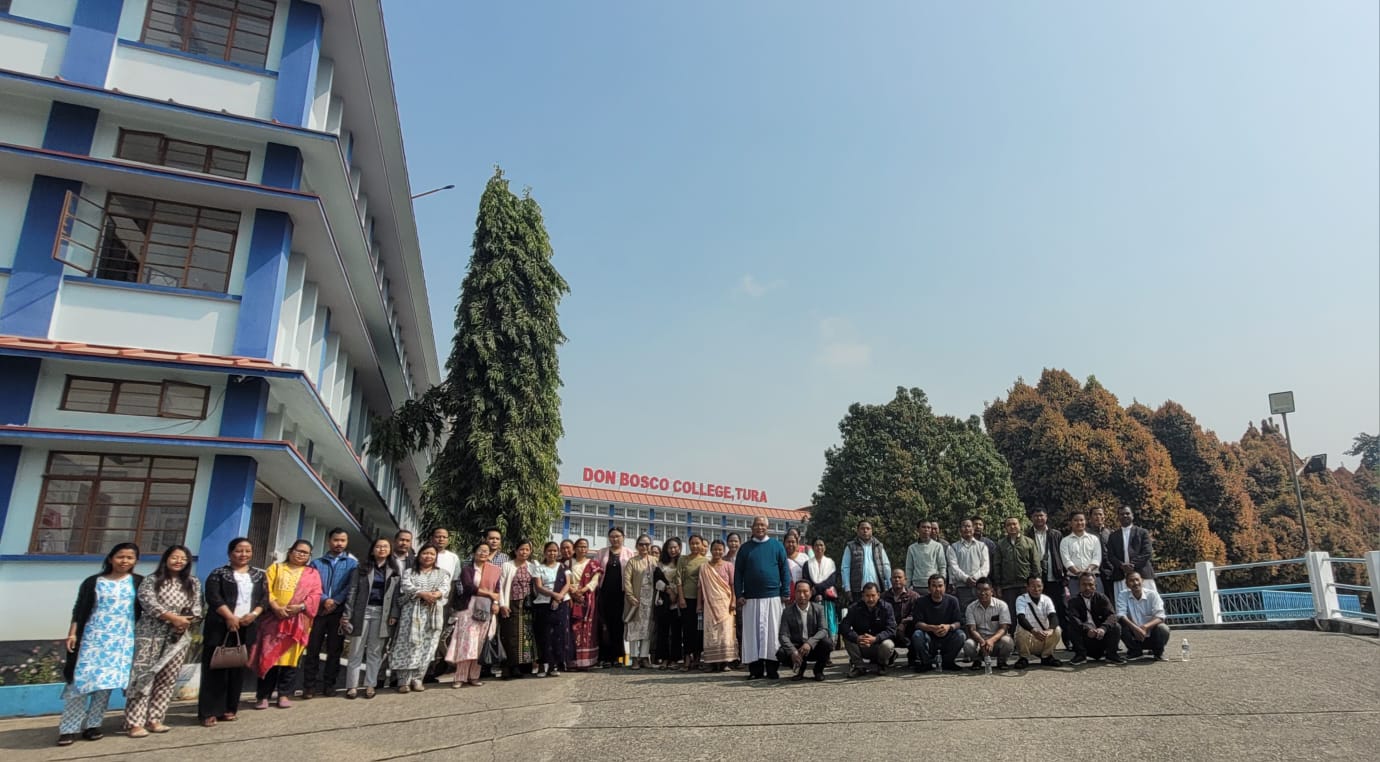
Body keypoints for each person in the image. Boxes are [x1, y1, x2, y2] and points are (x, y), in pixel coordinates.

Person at [56, 543, 141, 747]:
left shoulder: (138, 582)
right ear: (111, 558)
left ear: (135, 561)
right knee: (80, 683)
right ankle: (69, 728)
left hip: (122, 639)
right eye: (121, 556)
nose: (125, 561)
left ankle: (93, 725)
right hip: (93, 637)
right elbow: (80, 608)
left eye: (130, 557)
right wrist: (73, 632)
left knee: (105, 685)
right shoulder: (94, 581)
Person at [126, 545, 201, 736]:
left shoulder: (192, 582)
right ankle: (135, 722)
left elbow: (197, 608)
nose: (178, 561)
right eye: (174, 557)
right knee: (143, 677)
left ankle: (155, 719)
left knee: (167, 678)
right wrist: (172, 617)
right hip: (150, 635)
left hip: (178, 637)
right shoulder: (151, 580)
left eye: (182, 559)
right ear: (166, 558)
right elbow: (148, 602)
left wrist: (185, 622)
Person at [199, 537, 267, 726]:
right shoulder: (219, 574)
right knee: (215, 669)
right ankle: (209, 711)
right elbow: (213, 597)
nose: (243, 554)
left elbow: (264, 599)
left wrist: (253, 615)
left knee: (236, 670)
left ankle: (230, 708)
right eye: (239, 550)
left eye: (247, 551)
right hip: (220, 627)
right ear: (230, 553)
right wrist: (229, 617)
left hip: (247, 627)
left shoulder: (258, 575)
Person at [253, 540, 322, 709]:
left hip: (297, 623)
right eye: (299, 551)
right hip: (273, 620)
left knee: (290, 660)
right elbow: (265, 589)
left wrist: (301, 607)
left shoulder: (312, 573)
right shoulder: (276, 568)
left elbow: (316, 595)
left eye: (306, 553)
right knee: (268, 657)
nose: (301, 555)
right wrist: (275, 606)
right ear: (290, 551)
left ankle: (284, 694)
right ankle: (263, 696)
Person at [733, 516, 792, 680]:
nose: (760, 528)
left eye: (763, 525)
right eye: (757, 525)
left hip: (773, 597)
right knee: (753, 636)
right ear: (752, 528)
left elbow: (784, 570)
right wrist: (739, 594)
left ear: (768, 527)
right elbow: (738, 574)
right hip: (751, 599)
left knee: (772, 635)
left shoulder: (777, 546)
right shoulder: (745, 548)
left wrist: (785, 591)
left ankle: (772, 669)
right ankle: (755, 670)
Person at [342, 538, 401, 699]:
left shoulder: (394, 571)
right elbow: (352, 591)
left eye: (385, 546)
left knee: (375, 652)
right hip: (361, 612)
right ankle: (352, 686)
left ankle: (370, 685)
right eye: (378, 546)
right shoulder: (361, 568)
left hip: (382, 613)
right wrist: (347, 614)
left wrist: (394, 615)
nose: (381, 549)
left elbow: (396, 596)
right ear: (372, 549)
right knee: (355, 651)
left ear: (390, 550)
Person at [302, 528, 357, 699]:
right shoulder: (316, 564)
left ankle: (329, 685)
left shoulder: (352, 564)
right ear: (329, 541)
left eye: (342, 540)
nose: (339, 543)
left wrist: (336, 601)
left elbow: (351, 586)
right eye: (335, 540)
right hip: (318, 612)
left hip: (338, 613)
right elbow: (311, 585)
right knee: (313, 650)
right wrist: (325, 599)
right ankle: (309, 686)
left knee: (335, 651)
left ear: (346, 542)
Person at [390, 544, 450, 692]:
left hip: (432, 614)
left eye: (432, 554)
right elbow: (406, 586)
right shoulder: (410, 572)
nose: (428, 556)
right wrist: (423, 594)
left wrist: (434, 595)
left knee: (428, 647)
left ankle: (418, 679)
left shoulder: (443, 573)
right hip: (411, 615)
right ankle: (403, 681)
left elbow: (444, 589)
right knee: (408, 645)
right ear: (419, 555)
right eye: (425, 553)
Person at [447, 542, 502, 687]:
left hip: (486, 610)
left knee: (479, 644)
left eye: (486, 551)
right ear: (474, 553)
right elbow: (469, 587)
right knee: (466, 643)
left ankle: (474, 676)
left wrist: (496, 604)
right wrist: (489, 593)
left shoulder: (494, 570)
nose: (483, 553)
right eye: (480, 550)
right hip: (468, 610)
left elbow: (497, 589)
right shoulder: (467, 570)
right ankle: (460, 677)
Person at [1026, 508, 1069, 649]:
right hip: (1036, 580)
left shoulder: (1056, 534)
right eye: (1036, 516)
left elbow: (1062, 555)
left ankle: (1066, 640)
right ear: (1031, 518)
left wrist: (1064, 576)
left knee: (1060, 609)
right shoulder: (1027, 535)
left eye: (1041, 516)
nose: (1039, 518)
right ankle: (1040, 642)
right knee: (1039, 609)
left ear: (1046, 517)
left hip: (1055, 577)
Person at [498, 539, 541, 679]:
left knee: (526, 636)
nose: (524, 552)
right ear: (516, 551)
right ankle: (512, 666)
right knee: (512, 636)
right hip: (511, 604)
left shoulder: (533, 566)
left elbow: (537, 586)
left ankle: (525, 665)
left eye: (527, 549)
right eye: (521, 549)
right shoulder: (507, 565)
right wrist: (503, 604)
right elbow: (501, 586)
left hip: (528, 606)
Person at [425, 526, 461, 684]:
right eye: (438, 536)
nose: (441, 539)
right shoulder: (425, 553)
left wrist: (452, 604)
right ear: (432, 538)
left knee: (437, 637)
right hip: (423, 604)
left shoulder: (453, 558)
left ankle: (431, 671)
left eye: (444, 537)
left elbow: (455, 582)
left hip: (444, 604)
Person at [596, 527, 635, 668]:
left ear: (623, 537)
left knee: (619, 625)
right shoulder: (601, 553)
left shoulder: (629, 553)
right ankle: (605, 657)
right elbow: (596, 572)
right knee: (605, 625)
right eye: (612, 536)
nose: (615, 539)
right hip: (604, 593)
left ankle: (619, 657)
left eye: (618, 536)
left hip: (621, 593)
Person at [778, 580, 832, 681]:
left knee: (827, 643)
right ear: (794, 593)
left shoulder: (818, 609)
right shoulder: (787, 612)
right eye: (799, 591)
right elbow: (783, 635)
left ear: (811, 593)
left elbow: (823, 629)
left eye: (805, 591)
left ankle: (818, 670)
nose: (802, 595)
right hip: (797, 648)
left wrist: (810, 643)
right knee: (781, 653)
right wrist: (793, 651)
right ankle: (799, 669)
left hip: (813, 647)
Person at [908, 574, 963, 672]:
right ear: (929, 588)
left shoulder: (953, 601)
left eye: (940, 586)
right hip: (929, 637)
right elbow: (917, 623)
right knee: (917, 635)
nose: (937, 589)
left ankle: (948, 662)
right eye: (934, 586)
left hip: (947, 635)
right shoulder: (921, 602)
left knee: (961, 635)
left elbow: (958, 622)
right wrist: (932, 628)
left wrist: (948, 627)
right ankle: (926, 663)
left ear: (945, 587)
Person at [532, 541, 572, 677]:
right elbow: (538, 586)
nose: (552, 553)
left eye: (555, 551)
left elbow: (567, 584)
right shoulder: (539, 568)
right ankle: (543, 665)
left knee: (558, 635)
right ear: (544, 552)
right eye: (549, 551)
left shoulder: (563, 567)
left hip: (561, 604)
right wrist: (553, 594)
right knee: (544, 635)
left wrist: (559, 596)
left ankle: (555, 665)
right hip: (544, 604)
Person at [1066, 572, 1123, 664]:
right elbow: (1074, 619)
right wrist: (1087, 630)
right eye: (1084, 584)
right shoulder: (1073, 601)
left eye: (1090, 585)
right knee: (1071, 626)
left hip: (1101, 636)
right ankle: (1080, 655)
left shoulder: (1102, 598)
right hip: (1086, 638)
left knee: (1116, 626)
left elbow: (1112, 616)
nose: (1087, 588)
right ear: (1079, 586)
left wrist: (1103, 628)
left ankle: (1111, 655)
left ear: (1095, 586)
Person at [840, 582, 896, 677]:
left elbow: (892, 629)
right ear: (863, 596)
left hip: (879, 644)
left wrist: (876, 638)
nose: (870, 599)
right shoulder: (854, 608)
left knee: (888, 644)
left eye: (873, 595)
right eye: (867, 596)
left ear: (878, 595)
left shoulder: (887, 607)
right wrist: (857, 638)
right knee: (847, 637)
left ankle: (882, 665)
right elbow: (843, 627)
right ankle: (859, 666)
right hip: (861, 644)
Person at [700, 539, 738, 671]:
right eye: (715, 549)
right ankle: (711, 662)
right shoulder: (704, 567)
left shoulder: (728, 566)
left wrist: (733, 600)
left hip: (725, 605)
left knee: (726, 634)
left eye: (720, 549)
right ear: (711, 550)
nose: (717, 552)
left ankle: (725, 662)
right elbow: (700, 587)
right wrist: (699, 604)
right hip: (709, 605)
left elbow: (733, 585)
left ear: (724, 550)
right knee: (711, 634)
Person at [992, 516, 1041, 616]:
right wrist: (998, 585)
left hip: (1025, 585)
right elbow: (997, 565)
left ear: (1020, 525)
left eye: (1014, 524)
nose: (1012, 526)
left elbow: (1035, 563)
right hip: (1008, 586)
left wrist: (1035, 583)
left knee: (1028, 613)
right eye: (1009, 525)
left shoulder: (1029, 542)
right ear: (1005, 528)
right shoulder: (1001, 544)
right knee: (1011, 614)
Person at [566, 538, 603, 670]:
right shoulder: (568, 563)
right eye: (580, 546)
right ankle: (571, 661)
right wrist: (571, 590)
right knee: (572, 628)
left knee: (587, 628)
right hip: (570, 597)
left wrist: (582, 590)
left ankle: (586, 661)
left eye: (585, 546)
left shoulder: (593, 564)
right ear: (575, 548)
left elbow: (595, 581)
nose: (582, 549)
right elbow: (564, 579)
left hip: (587, 599)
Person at [622, 534, 658, 669]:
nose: (644, 547)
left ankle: (644, 657)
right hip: (635, 600)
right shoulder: (632, 562)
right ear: (637, 546)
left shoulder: (655, 561)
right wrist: (630, 596)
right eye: (641, 544)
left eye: (647, 544)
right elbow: (627, 580)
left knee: (647, 629)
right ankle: (635, 657)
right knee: (634, 629)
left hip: (650, 601)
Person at [1117, 571, 1170, 660]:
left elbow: (1161, 616)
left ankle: (1158, 653)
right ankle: (1135, 652)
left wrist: (1145, 627)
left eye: (1137, 580)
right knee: (1119, 625)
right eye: (1131, 581)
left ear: (1142, 580)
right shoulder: (1123, 595)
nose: (1135, 583)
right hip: (1134, 637)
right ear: (1127, 584)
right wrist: (1135, 629)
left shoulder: (1152, 594)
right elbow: (1121, 615)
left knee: (1163, 628)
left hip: (1151, 635)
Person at [963, 578, 1015, 670]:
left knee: (1008, 642)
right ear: (975, 591)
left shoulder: (1002, 605)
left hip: (997, 641)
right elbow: (972, 629)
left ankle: (1001, 661)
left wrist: (991, 641)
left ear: (992, 591)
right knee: (968, 644)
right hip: (979, 642)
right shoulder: (970, 607)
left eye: (986, 590)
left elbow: (1004, 628)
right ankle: (977, 660)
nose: (982, 593)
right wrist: (982, 642)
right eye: (979, 590)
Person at [1107, 506, 1158, 597]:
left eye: (1127, 513)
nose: (1125, 516)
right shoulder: (1113, 536)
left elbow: (1147, 552)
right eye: (1122, 514)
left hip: (1142, 574)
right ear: (1118, 517)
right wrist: (1122, 565)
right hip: (1121, 575)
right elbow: (1111, 555)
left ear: (1132, 516)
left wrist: (1132, 565)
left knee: (1149, 602)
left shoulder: (1142, 532)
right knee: (1123, 605)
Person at [1014, 576, 1063, 668]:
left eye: (1039, 586)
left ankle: (1047, 656)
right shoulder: (1021, 599)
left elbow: (1053, 616)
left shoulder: (1047, 599)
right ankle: (1024, 658)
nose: (1036, 589)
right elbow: (1021, 618)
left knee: (1057, 629)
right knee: (1021, 629)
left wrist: (1050, 630)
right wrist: (1033, 630)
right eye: (1032, 586)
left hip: (1043, 637)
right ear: (1027, 587)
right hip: (1029, 638)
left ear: (1043, 586)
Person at [676, 534, 709, 670]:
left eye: (697, 543)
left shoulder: (706, 561)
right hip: (687, 598)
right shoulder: (683, 560)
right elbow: (678, 579)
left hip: (701, 600)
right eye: (692, 543)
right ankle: (687, 657)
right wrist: (681, 597)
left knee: (699, 630)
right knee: (687, 628)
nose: (695, 546)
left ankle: (697, 657)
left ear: (702, 545)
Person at [841, 520, 891, 605]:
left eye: (868, 528)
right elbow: (845, 568)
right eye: (862, 528)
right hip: (858, 591)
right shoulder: (850, 547)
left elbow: (886, 566)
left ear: (872, 530)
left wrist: (890, 586)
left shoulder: (878, 546)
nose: (865, 531)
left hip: (877, 590)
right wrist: (847, 588)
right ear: (857, 531)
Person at [947, 518, 990, 611]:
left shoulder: (982, 546)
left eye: (969, 526)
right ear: (960, 530)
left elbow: (985, 567)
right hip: (962, 587)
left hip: (979, 586)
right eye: (964, 526)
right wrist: (966, 579)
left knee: (981, 611)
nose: (967, 529)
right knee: (964, 613)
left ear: (973, 529)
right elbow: (954, 567)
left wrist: (974, 578)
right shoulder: (953, 547)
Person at [653, 538, 683, 669]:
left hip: (679, 600)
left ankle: (675, 659)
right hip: (664, 601)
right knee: (663, 631)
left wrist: (677, 594)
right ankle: (663, 658)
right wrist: (669, 591)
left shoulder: (682, 563)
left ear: (679, 548)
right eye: (670, 547)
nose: (673, 550)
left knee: (676, 631)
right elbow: (657, 582)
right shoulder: (660, 564)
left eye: (675, 547)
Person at [1060, 512, 1105, 598]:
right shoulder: (1065, 541)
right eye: (1076, 520)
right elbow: (1066, 561)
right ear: (1070, 523)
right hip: (1075, 580)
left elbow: (1097, 558)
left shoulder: (1094, 539)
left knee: (1098, 606)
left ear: (1086, 521)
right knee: (1077, 608)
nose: (1079, 523)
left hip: (1093, 578)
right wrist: (1078, 572)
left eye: (1081, 520)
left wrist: (1088, 570)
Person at [803, 538, 840, 637]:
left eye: (821, 545)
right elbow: (807, 581)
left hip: (827, 599)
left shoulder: (830, 563)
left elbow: (832, 580)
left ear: (825, 547)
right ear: (813, 548)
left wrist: (819, 590)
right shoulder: (807, 564)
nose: (819, 547)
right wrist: (815, 594)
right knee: (814, 627)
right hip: (813, 599)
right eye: (816, 545)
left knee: (829, 628)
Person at [882, 568, 920, 653]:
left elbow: (916, 614)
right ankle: (888, 658)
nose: (897, 580)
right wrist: (892, 626)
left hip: (907, 628)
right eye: (894, 577)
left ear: (905, 580)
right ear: (890, 580)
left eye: (899, 577)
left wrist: (904, 623)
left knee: (918, 632)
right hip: (889, 629)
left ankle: (914, 658)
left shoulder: (914, 596)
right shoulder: (883, 597)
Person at [905, 519, 947, 593]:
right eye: (923, 527)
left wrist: (942, 583)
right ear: (918, 529)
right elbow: (909, 568)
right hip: (917, 585)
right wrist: (907, 587)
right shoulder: (912, 548)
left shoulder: (938, 546)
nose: (926, 529)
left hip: (934, 585)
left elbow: (942, 566)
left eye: (928, 527)